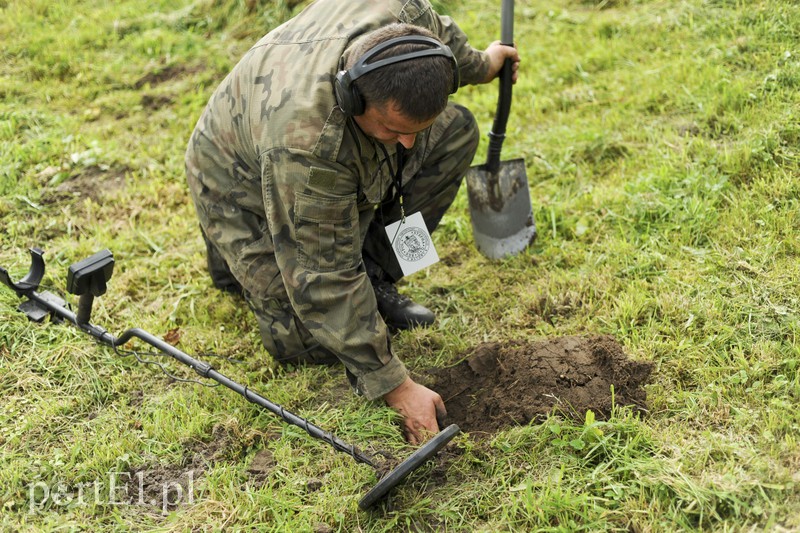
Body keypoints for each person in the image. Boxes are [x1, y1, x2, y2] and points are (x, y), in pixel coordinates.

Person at [185, 0, 520, 444]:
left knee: (456, 129)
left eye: (416, 128)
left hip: (316, 158)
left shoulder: (409, 16)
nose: (408, 143)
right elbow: (322, 274)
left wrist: (486, 62)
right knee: (305, 342)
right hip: (237, 184)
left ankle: (374, 273)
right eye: (393, 128)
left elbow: (448, 50)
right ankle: (238, 258)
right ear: (353, 97)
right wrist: (395, 385)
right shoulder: (307, 144)